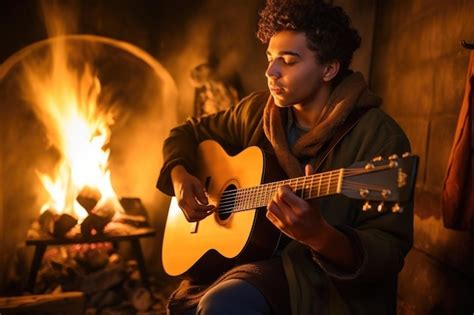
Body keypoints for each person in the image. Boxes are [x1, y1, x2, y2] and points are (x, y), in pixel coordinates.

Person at [157, 0, 413, 314]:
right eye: (270, 57)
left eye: (288, 61)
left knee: (222, 304)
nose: (271, 71)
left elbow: (388, 251)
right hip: (249, 260)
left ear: (329, 69)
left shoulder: (378, 136)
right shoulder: (257, 112)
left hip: (316, 280)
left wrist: (320, 235)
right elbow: (186, 133)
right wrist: (180, 176)